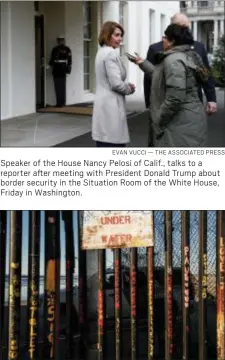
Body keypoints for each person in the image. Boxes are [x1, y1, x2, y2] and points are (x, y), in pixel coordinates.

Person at [144, 13, 217, 146]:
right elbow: (159, 76)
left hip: (180, 118)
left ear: (172, 40)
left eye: (165, 37)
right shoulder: (189, 54)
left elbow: (175, 98)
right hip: (189, 116)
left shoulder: (176, 58)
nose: (163, 39)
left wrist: (159, 119)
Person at [92, 21, 135, 147]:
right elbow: (116, 84)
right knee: (113, 146)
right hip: (111, 106)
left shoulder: (101, 52)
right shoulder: (110, 53)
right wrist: (129, 88)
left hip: (103, 104)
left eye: (121, 35)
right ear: (107, 35)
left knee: (103, 143)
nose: (120, 39)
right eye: (116, 35)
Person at [49, 36, 72, 107]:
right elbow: (52, 59)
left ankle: (62, 102)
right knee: (57, 87)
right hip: (56, 69)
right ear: (58, 41)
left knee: (62, 87)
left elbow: (69, 60)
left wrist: (68, 70)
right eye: (59, 40)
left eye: (62, 40)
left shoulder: (67, 49)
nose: (61, 41)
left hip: (63, 69)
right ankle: (58, 103)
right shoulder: (55, 49)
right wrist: (49, 65)